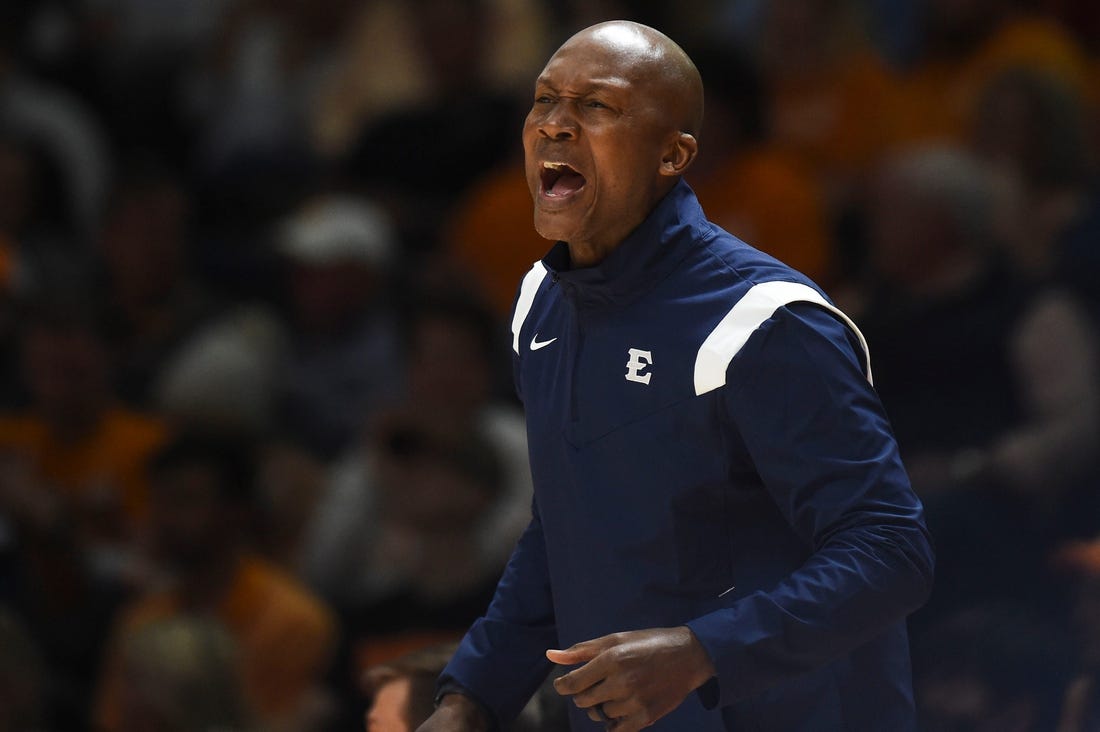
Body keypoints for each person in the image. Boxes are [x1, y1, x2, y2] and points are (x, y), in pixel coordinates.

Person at [417, 20, 934, 732]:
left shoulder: (764, 319)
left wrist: (702, 651)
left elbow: (890, 551)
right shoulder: (540, 301)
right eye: (544, 102)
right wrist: (471, 696)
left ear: (673, 154)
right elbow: (566, 523)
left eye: (597, 107)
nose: (557, 127)